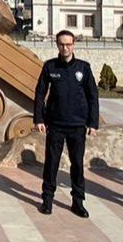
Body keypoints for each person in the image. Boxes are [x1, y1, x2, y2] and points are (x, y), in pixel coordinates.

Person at [33, 30, 99, 218]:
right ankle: (47, 199)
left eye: (68, 44)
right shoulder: (50, 67)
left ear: (74, 45)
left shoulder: (83, 68)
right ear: (57, 45)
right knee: (51, 163)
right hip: (55, 124)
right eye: (62, 44)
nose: (65, 47)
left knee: (77, 164)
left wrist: (92, 123)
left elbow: (93, 96)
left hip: (77, 125)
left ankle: (77, 202)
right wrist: (39, 118)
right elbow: (40, 94)